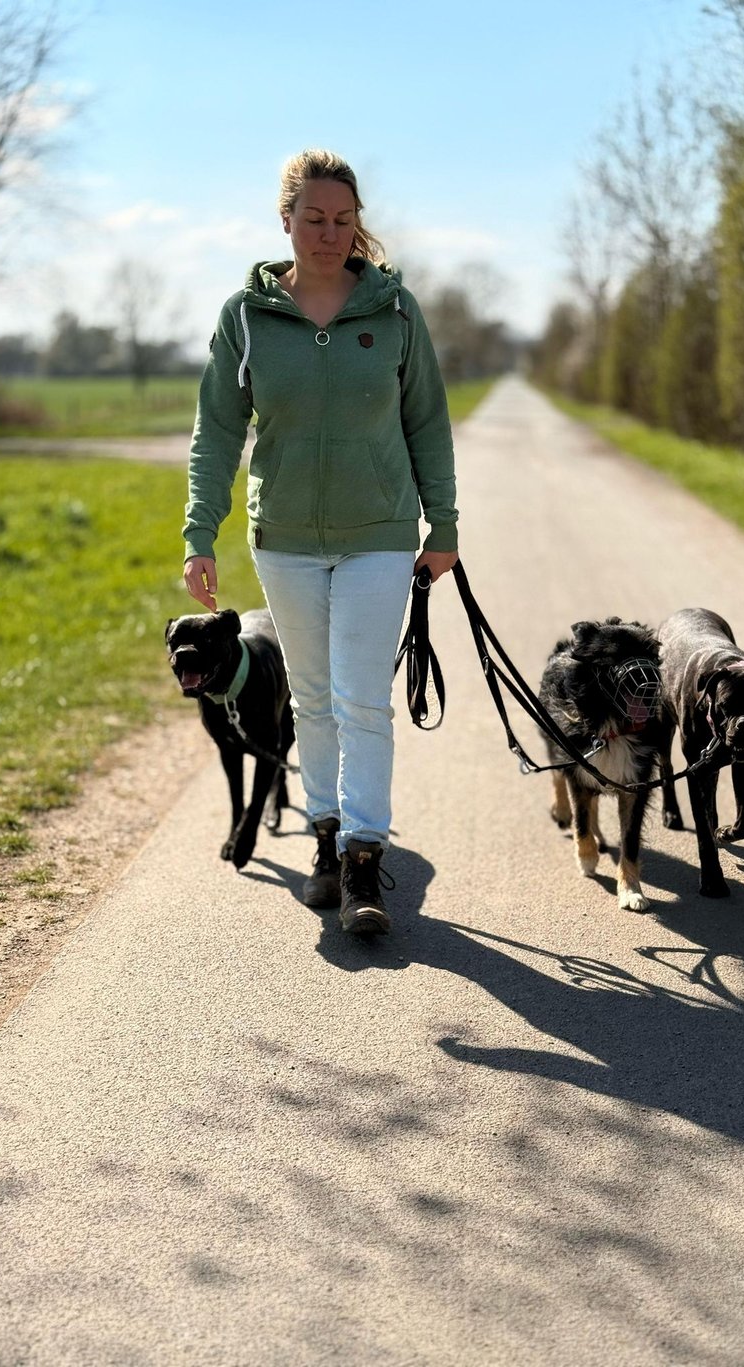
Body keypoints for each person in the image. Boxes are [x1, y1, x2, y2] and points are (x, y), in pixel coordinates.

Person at [182, 148, 458, 936]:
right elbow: (216, 433)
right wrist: (200, 531)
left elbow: (427, 423)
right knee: (311, 699)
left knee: (361, 697)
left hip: (378, 535)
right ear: (286, 221)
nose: (329, 233)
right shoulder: (247, 316)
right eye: (314, 219)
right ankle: (326, 840)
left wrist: (444, 525)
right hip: (286, 538)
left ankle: (365, 860)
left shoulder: (396, 311)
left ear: (356, 224)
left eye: (343, 220)